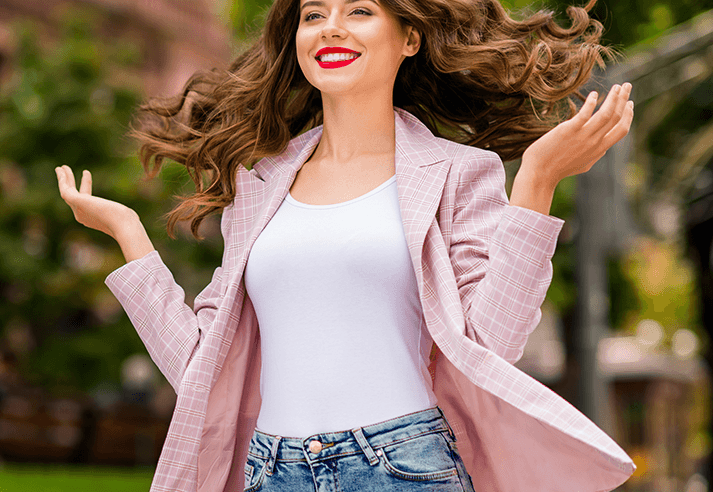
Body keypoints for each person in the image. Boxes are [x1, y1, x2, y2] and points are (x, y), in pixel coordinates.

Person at [56, 0, 636, 490]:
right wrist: (131, 239)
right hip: (270, 470)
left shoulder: (459, 173)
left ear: (409, 37)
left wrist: (535, 183)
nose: (330, 26)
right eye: (313, 14)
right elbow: (200, 368)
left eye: (358, 9)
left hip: (403, 465)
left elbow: (491, 344)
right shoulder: (259, 184)